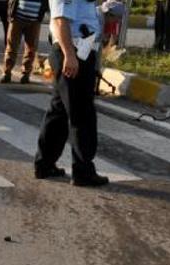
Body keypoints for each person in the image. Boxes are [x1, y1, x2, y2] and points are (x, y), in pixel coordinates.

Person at [34, 0, 109, 186]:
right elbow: (61, 21)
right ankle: (83, 171)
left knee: (58, 112)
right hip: (73, 52)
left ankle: (45, 164)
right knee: (82, 114)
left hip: (78, 51)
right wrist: (69, 55)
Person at [0, 0, 49, 83]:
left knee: (31, 49)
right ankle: (6, 73)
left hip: (35, 20)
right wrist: (10, 13)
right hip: (17, 18)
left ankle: (25, 74)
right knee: (12, 47)